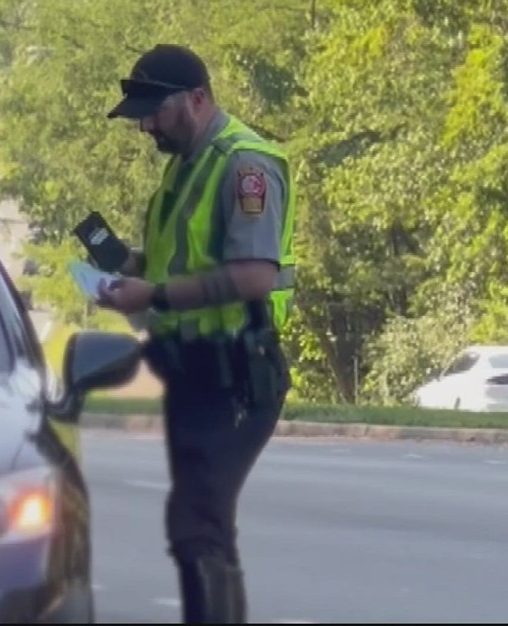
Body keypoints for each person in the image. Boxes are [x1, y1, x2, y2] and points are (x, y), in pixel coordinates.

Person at [95, 43, 296, 624]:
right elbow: (180, 262)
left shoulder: (244, 166)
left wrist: (152, 297)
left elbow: (256, 275)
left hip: (237, 373)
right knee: (198, 525)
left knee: (198, 522)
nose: (147, 126)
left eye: (156, 111)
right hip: (194, 371)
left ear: (199, 99)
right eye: (142, 115)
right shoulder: (186, 164)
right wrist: (128, 269)